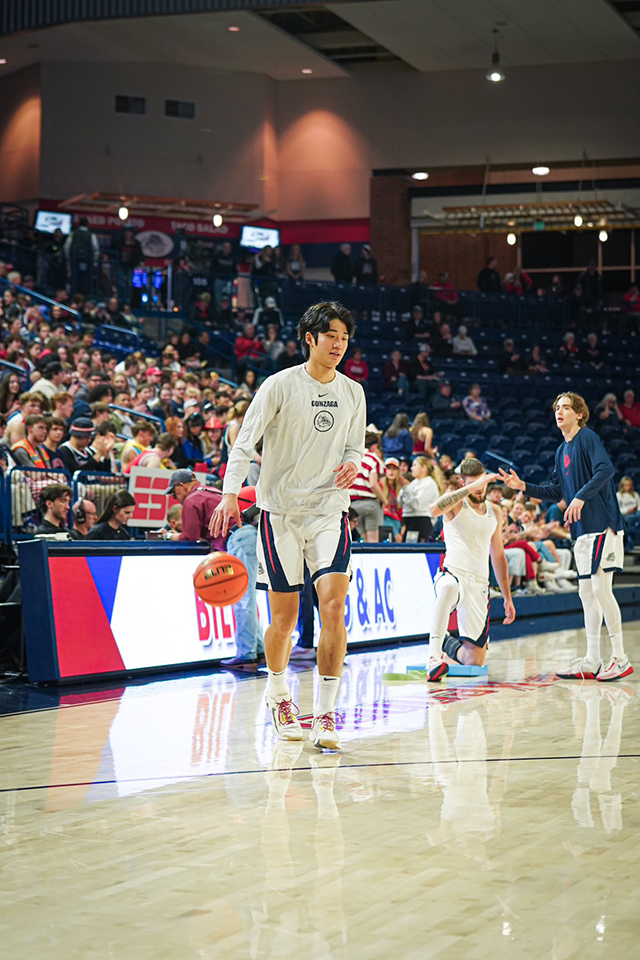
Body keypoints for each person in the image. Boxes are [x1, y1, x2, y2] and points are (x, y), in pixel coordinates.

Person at [211, 301, 365, 750]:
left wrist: (352, 465)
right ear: (310, 339)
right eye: (330, 335)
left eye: (344, 336)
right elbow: (243, 443)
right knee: (285, 620)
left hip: (329, 512)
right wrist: (228, 494)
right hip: (279, 515)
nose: (338, 344)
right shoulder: (279, 386)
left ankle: (326, 715)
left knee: (334, 608)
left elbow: (354, 448)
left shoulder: (353, 392)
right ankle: (279, 695)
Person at [499, 392, 632, 682]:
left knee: (600, 590)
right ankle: (592, 659)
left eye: (566, 408)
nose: (559, 412)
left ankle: (620, 658)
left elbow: (606, 470)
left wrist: (581, 497)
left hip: (602, 525)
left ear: (579, 414)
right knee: (586, 593)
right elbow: (556, 491)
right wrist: (523, 485)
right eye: (557, 408)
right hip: (582, 530)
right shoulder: (562, 450)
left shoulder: (587, 438)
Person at [426, 458, 515, 681]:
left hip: (480, 584)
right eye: (474, 484)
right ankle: (433, 657)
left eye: (482, 482)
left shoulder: (495, 511)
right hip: (453, 574)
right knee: (447, 588)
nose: (480, 488)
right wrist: (468, 489)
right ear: (463, 482)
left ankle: (445, 642)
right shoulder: (457, 503)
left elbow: (498, 555)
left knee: (474, 660)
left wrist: (507, 597)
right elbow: (434, 509)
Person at [165, 473, 264, 669]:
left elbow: (189, 537)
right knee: (248, 598)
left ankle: (247, 654)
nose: (175, 498)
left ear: (181, 486)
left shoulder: (191, 500)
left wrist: (169, 536)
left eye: (174, 493)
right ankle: (259, 650)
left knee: (242, 599)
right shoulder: (212, 491)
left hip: (238, 540)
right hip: (248, 535)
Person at [349, 429, 386, 543]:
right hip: (370, 504)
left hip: (353, 504)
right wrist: (384, 500)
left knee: (362, 541)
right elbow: (373, 484)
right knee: (373, 541)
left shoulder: (351, 457)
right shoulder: (373, 458)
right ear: (374, 446)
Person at [399, 456, 439, 541]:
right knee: (406, 551)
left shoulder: (429, 484)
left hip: (421, 521)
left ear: (423, 468)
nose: (411, 468)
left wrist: (406, 488)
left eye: (414, 465)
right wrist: (404, 488)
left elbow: (417, 506)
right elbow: (400, 502)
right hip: (408, 521)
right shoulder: (413, 483)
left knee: (417, 551)